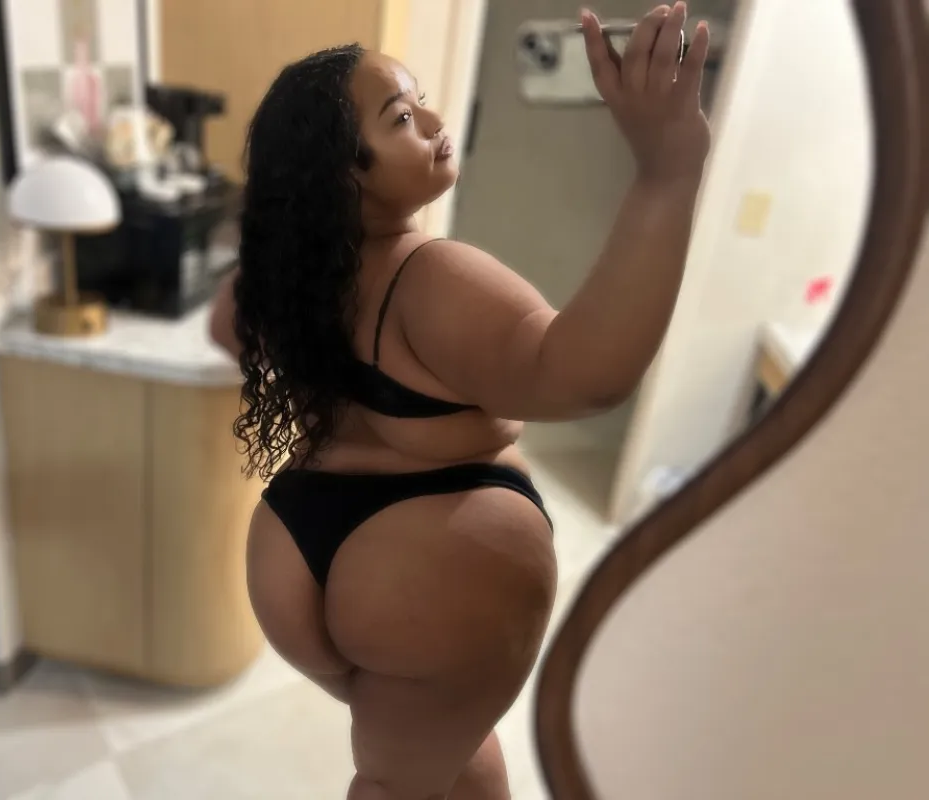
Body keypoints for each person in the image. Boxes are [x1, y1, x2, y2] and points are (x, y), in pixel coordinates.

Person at [209, 4, 710, 798]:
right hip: (416, 589)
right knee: (396, 785)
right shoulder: (428, 276)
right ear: (344, 173)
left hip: (297, 550)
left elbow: (221, 324)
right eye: (402, 119)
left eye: (420, 102)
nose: (437, 123)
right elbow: (584, 375)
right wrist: (666, 173)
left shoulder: (293, 276)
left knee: (442, 754)